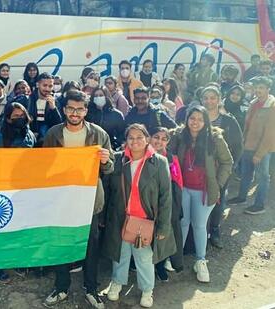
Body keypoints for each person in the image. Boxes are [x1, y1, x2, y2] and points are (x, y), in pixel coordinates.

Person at [42, 90, 114, 309]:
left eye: (79, 109)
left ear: (85, 110)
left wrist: (104, 160)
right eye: (71, 108)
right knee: (62, 244)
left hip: (90, 201)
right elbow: (44, 166)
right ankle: (61, 287)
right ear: (64, 110)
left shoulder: (99, 134)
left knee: (91, 246)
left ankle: (91, 288)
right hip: (62, 200)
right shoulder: (54, 134)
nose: (75, 113)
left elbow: (110, 168)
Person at [103, 123, 174, 308]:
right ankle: (117, 282)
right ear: (126, 140)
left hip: (144, 221)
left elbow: (166, 197)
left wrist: (163, 226)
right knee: (120, 255)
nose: (135, 141)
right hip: (121, 218)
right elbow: (108, 187)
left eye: (139, 137)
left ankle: (147, 290)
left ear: (147, 138)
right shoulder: (118, 159)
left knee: (144, 259)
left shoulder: (158, 162)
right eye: (131, 138)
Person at [168, 105, 233, 282]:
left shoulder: (215, 138)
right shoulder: (179, 135)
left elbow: (227, 162)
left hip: (204, 191)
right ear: (187, 119)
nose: (195, 122)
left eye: (200, 119)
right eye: (192, 118)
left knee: (199, 225)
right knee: (182, 222)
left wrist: (218, 185)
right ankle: (175, 257)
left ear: (206, 121)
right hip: (183, 189)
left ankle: (201, 260)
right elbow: (164, 147)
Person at [201, 86, 243, 248]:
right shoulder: (198, 118)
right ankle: (199, 230)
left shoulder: (228, 121)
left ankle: (215, 229)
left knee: (218, 199)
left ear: (218, 100)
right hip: (200, 168)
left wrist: (231, 167)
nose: (209, 101)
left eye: (212, 98)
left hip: (221, 169)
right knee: (201, 198)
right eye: (206, 98)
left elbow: (238, 146)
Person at [228, 76, 275, 214]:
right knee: (246, 173)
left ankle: (259, 205)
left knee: (263, 177)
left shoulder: (272, 107)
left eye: (261, 88)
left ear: (268, 89)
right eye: (256, 88)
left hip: (262, 149)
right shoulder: (253, 103)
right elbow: (247, 126)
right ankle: (242, 197)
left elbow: (270, 134)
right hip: (248, 146)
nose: (257, 90)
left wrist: (260, 154)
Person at [149, 127, 184, 279]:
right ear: (149, 137)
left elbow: (178, 182)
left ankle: (160, 265)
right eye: (156, 137)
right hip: (146, 201)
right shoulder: (141, 155)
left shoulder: (172, 158)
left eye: (164, 139)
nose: (159, 141)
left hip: (165, 201)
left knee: (163, 233)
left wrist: (177, 205)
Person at [27, 73, 63, 145]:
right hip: (30, 136)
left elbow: (59, 125)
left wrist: (53, 108)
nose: (47, 89)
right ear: (38, 85)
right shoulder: (28, 99)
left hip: (47, 139)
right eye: (44, 85)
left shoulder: (55, 101)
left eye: (50, 86)